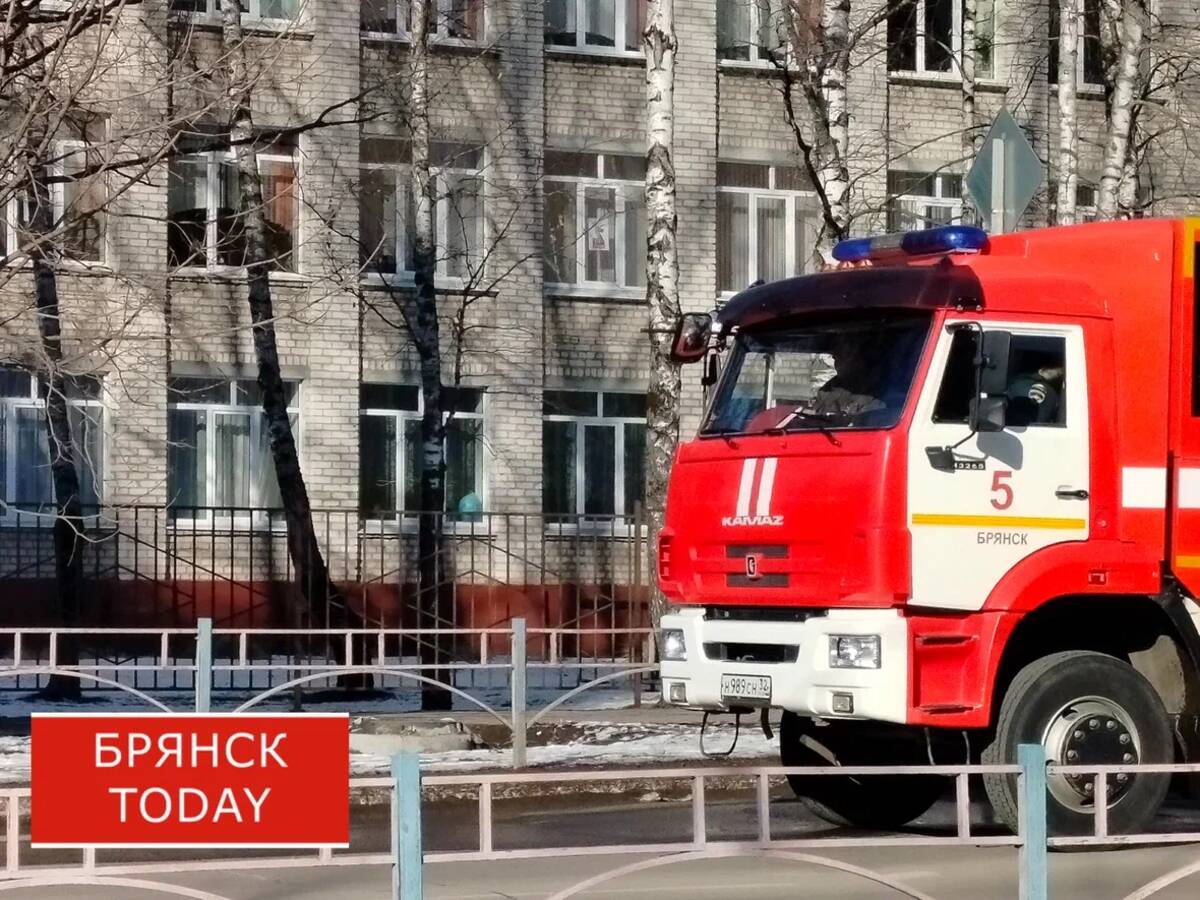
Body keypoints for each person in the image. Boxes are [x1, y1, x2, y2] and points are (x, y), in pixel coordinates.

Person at [807, 337, 885, 417]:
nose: (837, 363)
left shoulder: (878, 391)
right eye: (836, 358)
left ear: (859, 359)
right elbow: (818, 415)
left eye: (845, 356)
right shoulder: (828, 390)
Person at [1006, 361, 1064, 425]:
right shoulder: (1021, 382)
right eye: (1058, 374)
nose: (1058, 377)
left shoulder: (1052, 394)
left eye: (1060, 376)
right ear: (1042, 370)